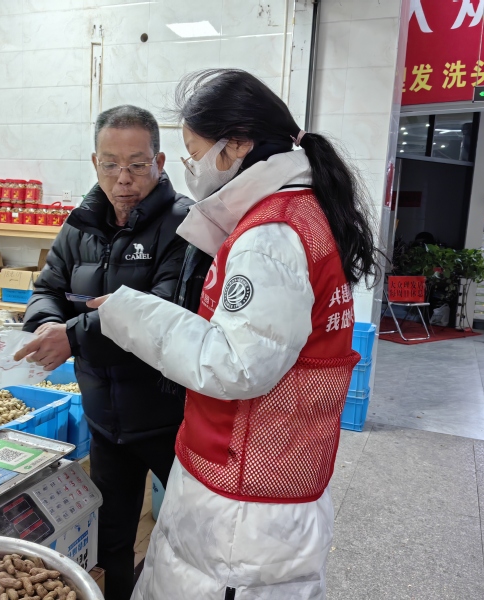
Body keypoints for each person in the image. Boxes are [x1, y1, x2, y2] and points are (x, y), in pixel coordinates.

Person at [84, 70, 379, 599]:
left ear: (237, 145)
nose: (192, 167)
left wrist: (132, 314)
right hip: (266, 473)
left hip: (244, 500)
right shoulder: (297, 212)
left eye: (195, 153)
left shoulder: (271, 234)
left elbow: (238, 364)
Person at [14, 105, 192, 600]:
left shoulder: (185, 225)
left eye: (137, 164)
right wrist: (47, 324)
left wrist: (72, 337)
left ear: (160, 162)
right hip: (104, 419)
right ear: (95, 162)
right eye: (111, 164)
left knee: (188, 534)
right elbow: (47, 287)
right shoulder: (81, 224)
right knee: (111, 537)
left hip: (170, 418)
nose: (123, 178)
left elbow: (162, 312)